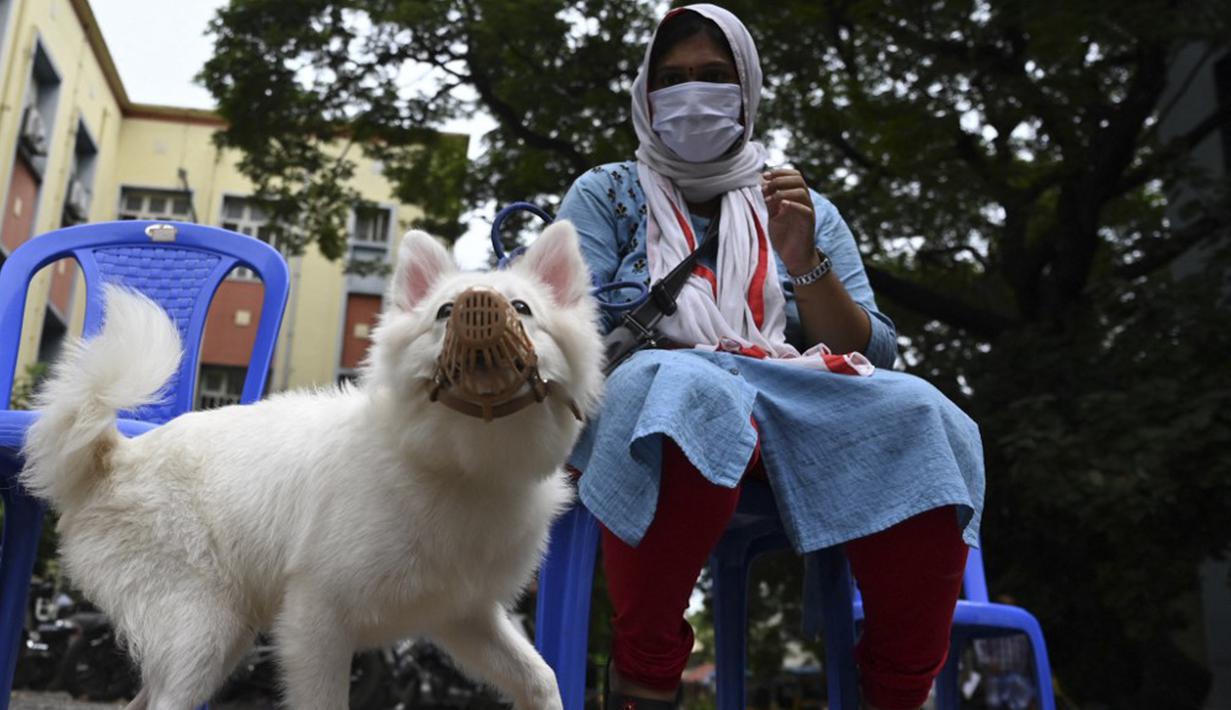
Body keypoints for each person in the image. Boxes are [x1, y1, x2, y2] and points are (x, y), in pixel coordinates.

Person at [555, 5, 985, 710]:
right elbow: (569, 332)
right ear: (645, 93)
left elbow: (871, 351)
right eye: (672, 78)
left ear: (747, 91)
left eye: (714, 76)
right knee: (687, 389)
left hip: (794, 397)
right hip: (658, 398)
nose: (692, 94)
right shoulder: (605, 195)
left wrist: (803, 258)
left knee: (922, 415)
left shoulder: (798, 203)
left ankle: (897, 693)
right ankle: (645, 676)